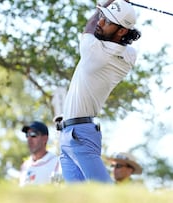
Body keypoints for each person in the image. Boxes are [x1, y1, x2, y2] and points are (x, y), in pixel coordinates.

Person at [57, 0, 141, 183]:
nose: (101, 23)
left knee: (103, 192)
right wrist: (117, 8)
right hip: (69, 134)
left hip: (79, 134)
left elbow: (90, 26)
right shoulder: (128, 55)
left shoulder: (95, 52)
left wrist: (108, 2)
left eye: (108, 22)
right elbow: (122, 42)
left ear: (121, 31)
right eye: (102, 17)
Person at [19, 121, 62, 186]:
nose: (29, 139)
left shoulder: (57, 163)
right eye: (27, 135)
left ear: (45, 138)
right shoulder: (24, 166)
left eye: (33, 135)